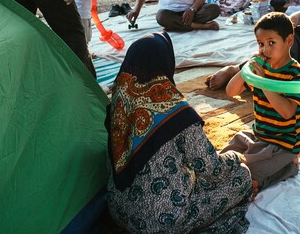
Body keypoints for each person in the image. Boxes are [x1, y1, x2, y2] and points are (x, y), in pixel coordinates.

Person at [106, 32, 252, 233]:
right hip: (163, 222)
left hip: (120, 211)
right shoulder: (176, 114)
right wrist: (236, 157)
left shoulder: (118, 102)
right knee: (241, 176)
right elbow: (213, 169)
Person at [221, 12, 300, 195]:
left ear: (289, 41)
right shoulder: (260, 68)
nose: (265, 49)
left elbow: (287, 112)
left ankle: (287, 166)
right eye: (261, 44)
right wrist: (246, 70)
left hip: (281, 145)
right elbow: (231, 91)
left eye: (271, 43)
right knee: (223, 160)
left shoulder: (295, 73)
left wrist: (262, 82)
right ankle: (272, 169)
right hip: (257, 136)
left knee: (247, 173)